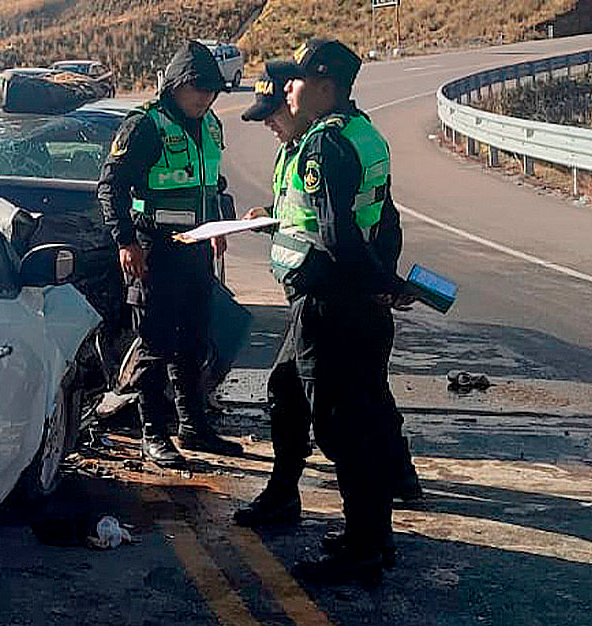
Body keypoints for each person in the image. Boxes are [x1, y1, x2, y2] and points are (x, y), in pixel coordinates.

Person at [229, 39, 416, 583]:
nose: (287, 87)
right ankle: (294, 501)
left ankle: (364, 546)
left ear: (325, 86)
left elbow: (337, 237)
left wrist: (383, 284)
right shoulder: (363, 134)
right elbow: (383, 217)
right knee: (287, 391)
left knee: (343, 427)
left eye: (297, 80)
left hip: (333, 303)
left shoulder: (326, 146)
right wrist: (386, 279)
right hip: (338, 299)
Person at [97, 40, 241, 468]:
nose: (204, 97)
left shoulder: (211, 125)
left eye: (211, 90)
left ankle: (193, 426)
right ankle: (152, 434)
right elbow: (111, 186)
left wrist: (220, 225)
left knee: (194, 342)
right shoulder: (146, 126)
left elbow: (210, 184)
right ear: (175, 85)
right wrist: (125, 241)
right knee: (155, 344)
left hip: (197, 251)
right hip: (153, 250)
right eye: (196, 89)